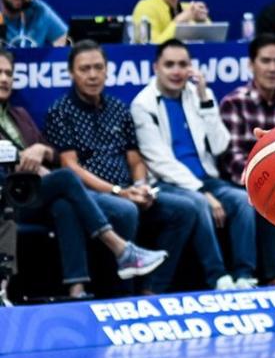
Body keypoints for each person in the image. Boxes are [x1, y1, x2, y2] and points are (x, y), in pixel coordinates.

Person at [44, 40, 207, 295]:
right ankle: (124, 292)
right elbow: (70, 166)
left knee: (184, 210)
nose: (93, 75)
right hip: (92, 195)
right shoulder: (60, 111)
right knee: (126, 210)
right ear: (72, 73)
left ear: (108, 70)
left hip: (128, 190)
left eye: (98, 67)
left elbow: (135, 160)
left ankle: (152, 290)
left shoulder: (119, 109)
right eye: (85, 69)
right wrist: (120, 191)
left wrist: (141, 187)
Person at [0, 50, 166, 298]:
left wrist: (40, 150)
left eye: (8, 73)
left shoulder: (19, 115)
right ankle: (121, 250)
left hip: (35, 193)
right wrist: (17, 157)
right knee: (67, 178)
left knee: (64, 204)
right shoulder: (62, 110)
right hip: (8, 197)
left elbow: (53, 155)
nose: (4, 78)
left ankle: (77, 289)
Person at [131, 39, 257, 288]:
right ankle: (218, 277)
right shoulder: (142, 104)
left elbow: (221, 145)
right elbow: (160, 162)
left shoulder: (201, 95)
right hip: (168, 184)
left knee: (243, 201)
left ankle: (244, 276)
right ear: (156, 67)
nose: (176, 71)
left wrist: (205, 99)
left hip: (207, 178)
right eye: (169, 65)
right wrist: (202, 192)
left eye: (182, 65)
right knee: (198, 203)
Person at [219, 34, 275, 285]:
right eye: (265, 61)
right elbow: (231, 157)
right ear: (251, 64)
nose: (272, 68)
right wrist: (267, 177)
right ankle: (272, 278)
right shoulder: (234, 103)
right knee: (266, 195)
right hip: (245, 180)